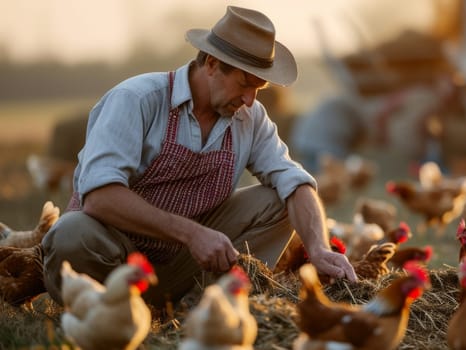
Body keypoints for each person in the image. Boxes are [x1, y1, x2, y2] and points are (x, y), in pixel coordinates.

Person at [41, 5, 356, 307]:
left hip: (183, 264)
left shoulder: (251, 117)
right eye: (244, 84)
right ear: (211, 65)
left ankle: (204, 307)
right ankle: (109, 310)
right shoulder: (136, 100)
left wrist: (318, 247)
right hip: (113, 258)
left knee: (281, 200)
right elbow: (99, 197)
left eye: (258, 88)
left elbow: (296, 181)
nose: (249, 99)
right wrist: (192, 233)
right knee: (70, 234)